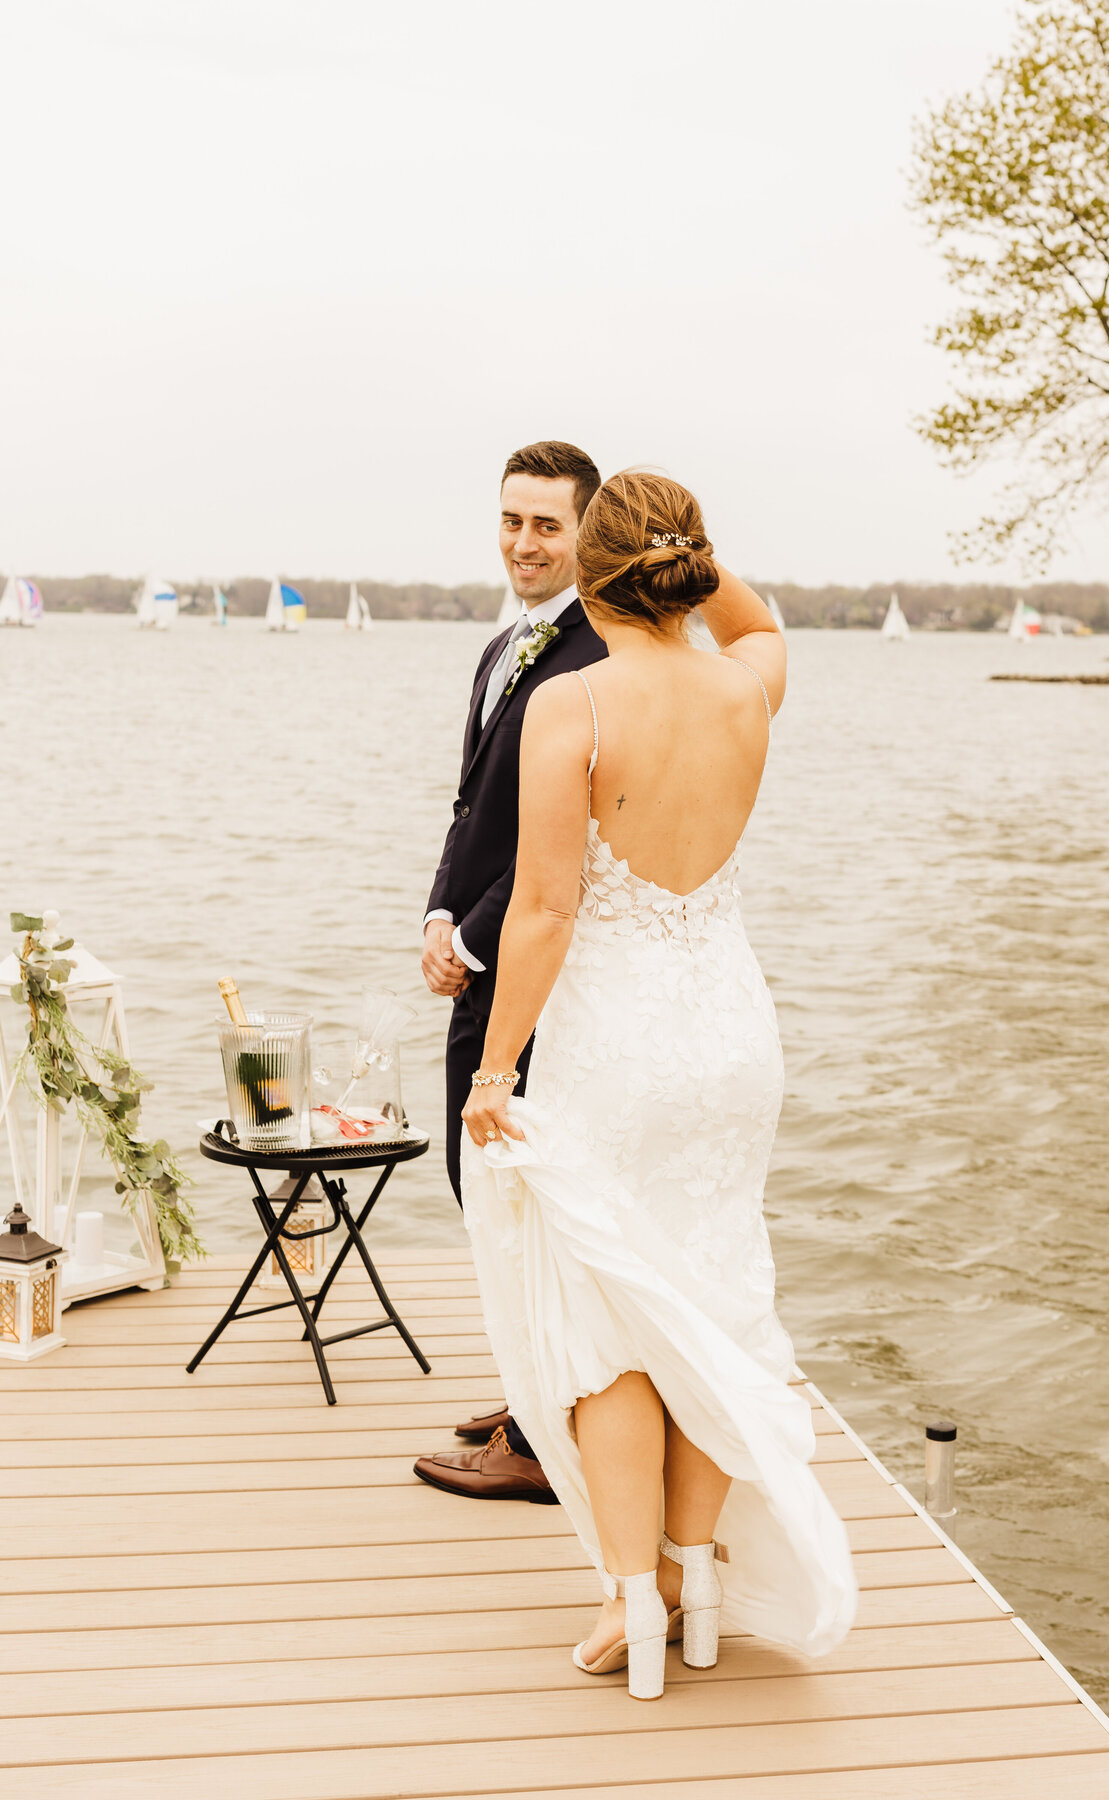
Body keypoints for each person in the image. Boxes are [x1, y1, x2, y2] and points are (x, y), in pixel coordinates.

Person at [459, 471, 857, 1699]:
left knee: (613, 1325)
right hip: (732, 1037)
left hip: (618, 1040)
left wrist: (492, 1065)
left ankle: (636, 1603)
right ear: (684, 565)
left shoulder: (571, 702)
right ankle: (700, 1582)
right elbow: (759, 622)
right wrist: (698, 555)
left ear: (591, 572)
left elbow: (540, 908)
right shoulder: (747, 688)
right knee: (709, 1295)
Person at [414, 439, 607, 1503]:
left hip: (542, 972)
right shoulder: (502, 650)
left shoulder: (594, 662)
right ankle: (533, 1385)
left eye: (546, 524)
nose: (524, 542)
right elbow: (470, 811)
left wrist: (480, 938)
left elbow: (561, 840)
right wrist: (440, 913)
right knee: (476, 1182)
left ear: (586, 534)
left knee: (520, 1192)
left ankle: (539, 1442)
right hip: (479, 946)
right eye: (511, 520)